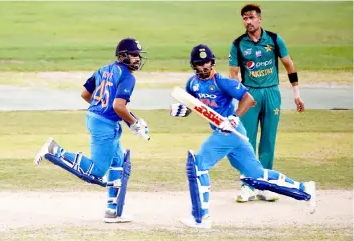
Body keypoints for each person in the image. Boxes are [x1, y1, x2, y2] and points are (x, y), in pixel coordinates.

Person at [170, 44, 315, 229]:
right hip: (228, 134)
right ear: (194, 65)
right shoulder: (192, 83)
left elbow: (249, 99)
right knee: (256, 175)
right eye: (199, 63)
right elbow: (194, 105)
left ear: (212, 61)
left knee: (199, 165)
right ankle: (305, 189)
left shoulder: (222, 81)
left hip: (230, 132)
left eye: (207, 62)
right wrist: (181, 110)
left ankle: (201, 218)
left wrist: (233, 117)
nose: (204, 66)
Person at [33, 37, 150, 223]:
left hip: (95, 118)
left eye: (138, 55)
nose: (137, 59)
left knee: (118, 160)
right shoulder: (128, 77)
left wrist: (102, 108)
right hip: (104, 124)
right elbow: (119, 106)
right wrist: (134, 122)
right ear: (122, 56)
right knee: (97, 171)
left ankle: (112, 211)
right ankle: (54, 150)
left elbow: (85, 94)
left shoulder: (103, 70)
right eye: (134, 55)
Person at [228, 4, 305, 203]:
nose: (249, 21)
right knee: (247, 141)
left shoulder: (273, 39)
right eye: (245, 18)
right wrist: (242, 94)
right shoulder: (238, 44)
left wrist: (296, 93)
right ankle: (247, 185)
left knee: (268, 140)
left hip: (272, 92)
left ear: (259, 19)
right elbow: (233, 75)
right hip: (250, 95)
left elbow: (289, 64)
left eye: (252, 17)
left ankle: (264, 186)